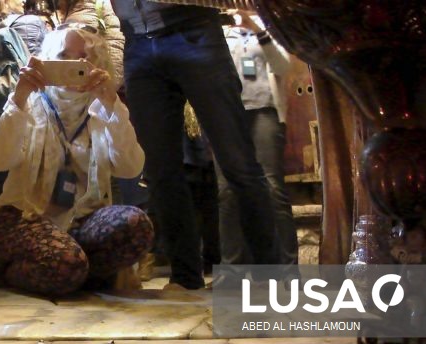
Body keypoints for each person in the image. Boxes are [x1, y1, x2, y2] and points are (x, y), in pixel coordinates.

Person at [110, 1, 281, 289]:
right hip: (137, 41)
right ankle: (185, 278)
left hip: (194, 32)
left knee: (238, 163)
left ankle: (269, 280)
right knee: (160, 171)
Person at [0, 26, 152, 296]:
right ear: (50, 58)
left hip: (81, 222)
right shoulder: (28, 103)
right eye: (65, 55)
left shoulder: (102, 109)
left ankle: (77, 271)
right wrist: (19, 97)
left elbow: (131, 167)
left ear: (98, 64)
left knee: (137, 224)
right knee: (66, 264)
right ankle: (8, 273)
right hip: (22, 217)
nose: (75, 63)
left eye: (84, 57)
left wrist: (113, 106)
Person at [221, 10, 298, 265]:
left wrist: (256, 28)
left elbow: (283, 66)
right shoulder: (220, 30)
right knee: (227, 192)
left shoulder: (270, 27)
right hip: (228, 115)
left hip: (265, 111)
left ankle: (287, 269)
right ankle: (232, 271)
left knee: (272, 186)